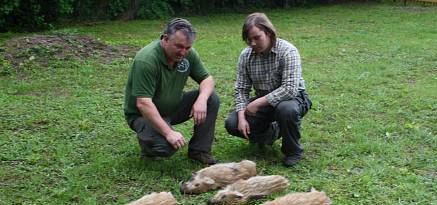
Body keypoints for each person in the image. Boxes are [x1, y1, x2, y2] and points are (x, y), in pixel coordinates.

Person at [123, 18, 219, 165]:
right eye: (179, 47)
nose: (183, 52)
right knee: (166, 147)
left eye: (187, 48)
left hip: (173, 108)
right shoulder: (147, 60)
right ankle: (149, 145)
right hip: (143, 115)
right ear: (165, 39)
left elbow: (207, 79)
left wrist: (201, 99)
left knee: (211, 98)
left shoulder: (188, 54)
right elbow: (143, 103)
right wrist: (169, 133)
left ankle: (199, 151)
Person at [225, 12, 312, 167]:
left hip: (293, 98)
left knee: (286, 110)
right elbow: (241, 89)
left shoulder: (288, 51)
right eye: (248, 39)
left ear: (269, 33)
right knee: (232, 123)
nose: (252, 43)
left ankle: (293, 151)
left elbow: (290, 89)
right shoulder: (245, 56)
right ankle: (271, 133)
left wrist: (257, 103)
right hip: (264, 100)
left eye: (256, 37)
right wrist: (241, 117)